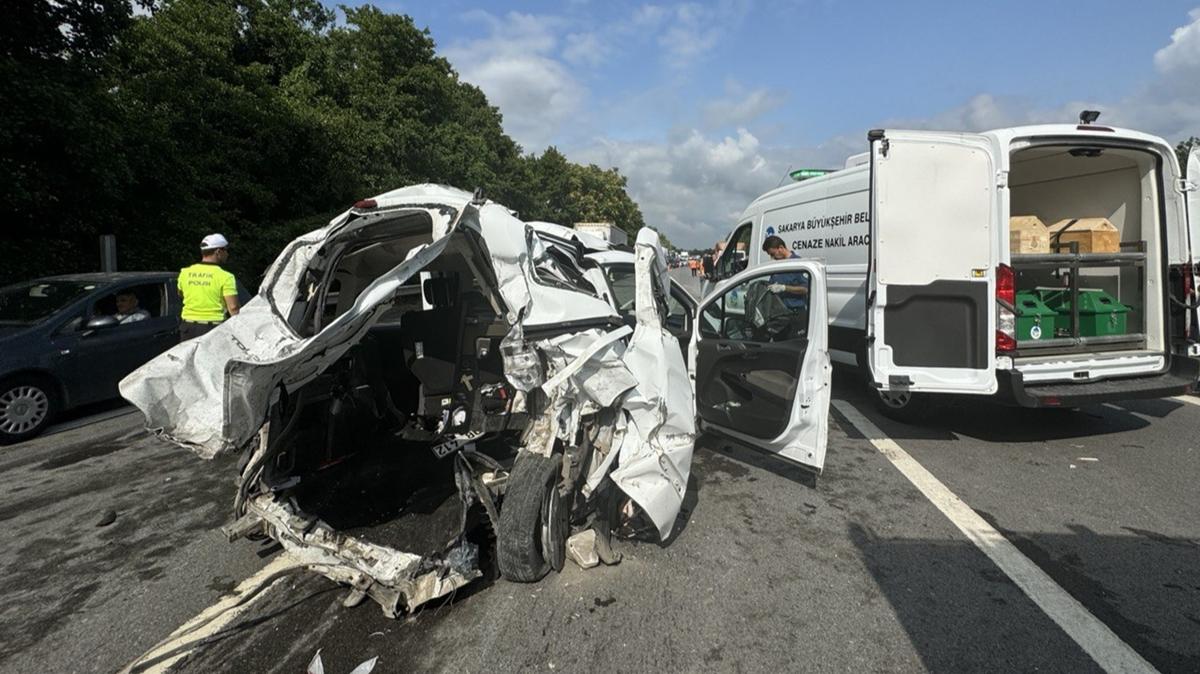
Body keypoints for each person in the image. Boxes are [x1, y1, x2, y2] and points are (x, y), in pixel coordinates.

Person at [178, 233, 240, 341]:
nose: (227, 254)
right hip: (212, 328)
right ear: (218, 252)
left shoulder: (185, 272)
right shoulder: (226, 277)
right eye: (226, 250)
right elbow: (233, 307)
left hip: (187, 328)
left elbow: (181, 294)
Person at [762, 235, 808, 311]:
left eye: (773, 254)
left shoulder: (798, 263)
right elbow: (772, 284)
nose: (772, 258)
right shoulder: (777, 265)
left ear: (781, 248)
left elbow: (805, 289)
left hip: (796, 312)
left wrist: (784, 288)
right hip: (780, 313)